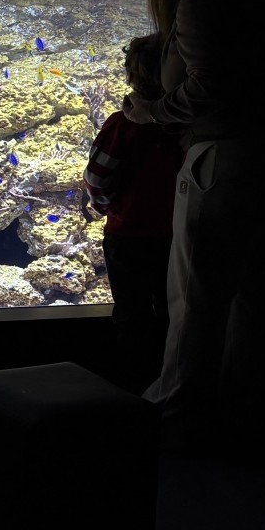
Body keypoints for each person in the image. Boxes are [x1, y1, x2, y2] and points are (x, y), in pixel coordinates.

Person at [125, 0, 265, 460]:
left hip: (222, 161)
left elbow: (207, 85)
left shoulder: (200, 0)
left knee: (196, 295)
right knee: (262, 297)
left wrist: (152, 112)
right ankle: (251, 420)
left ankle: (172, 421)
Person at [83, 32, 184, 394]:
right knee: (172, 305)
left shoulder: (122, 125)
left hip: (127, 236)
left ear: (129, 75)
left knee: (131, 311)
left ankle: (131, 385)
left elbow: (97, 177)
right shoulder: (185, 126)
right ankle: (168, 378)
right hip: (177, 235)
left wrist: (105, 205)